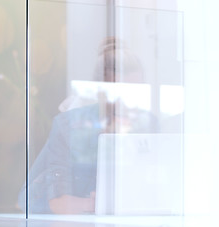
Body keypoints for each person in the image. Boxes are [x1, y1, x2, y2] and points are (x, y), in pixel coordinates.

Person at [18, 37, 160, 214]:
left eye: (135, 92)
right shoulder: (69, 126)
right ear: (100, 89)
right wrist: (92, 205)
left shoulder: (148, 123)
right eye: (119, 92)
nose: (127, 103)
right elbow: (52, 201)